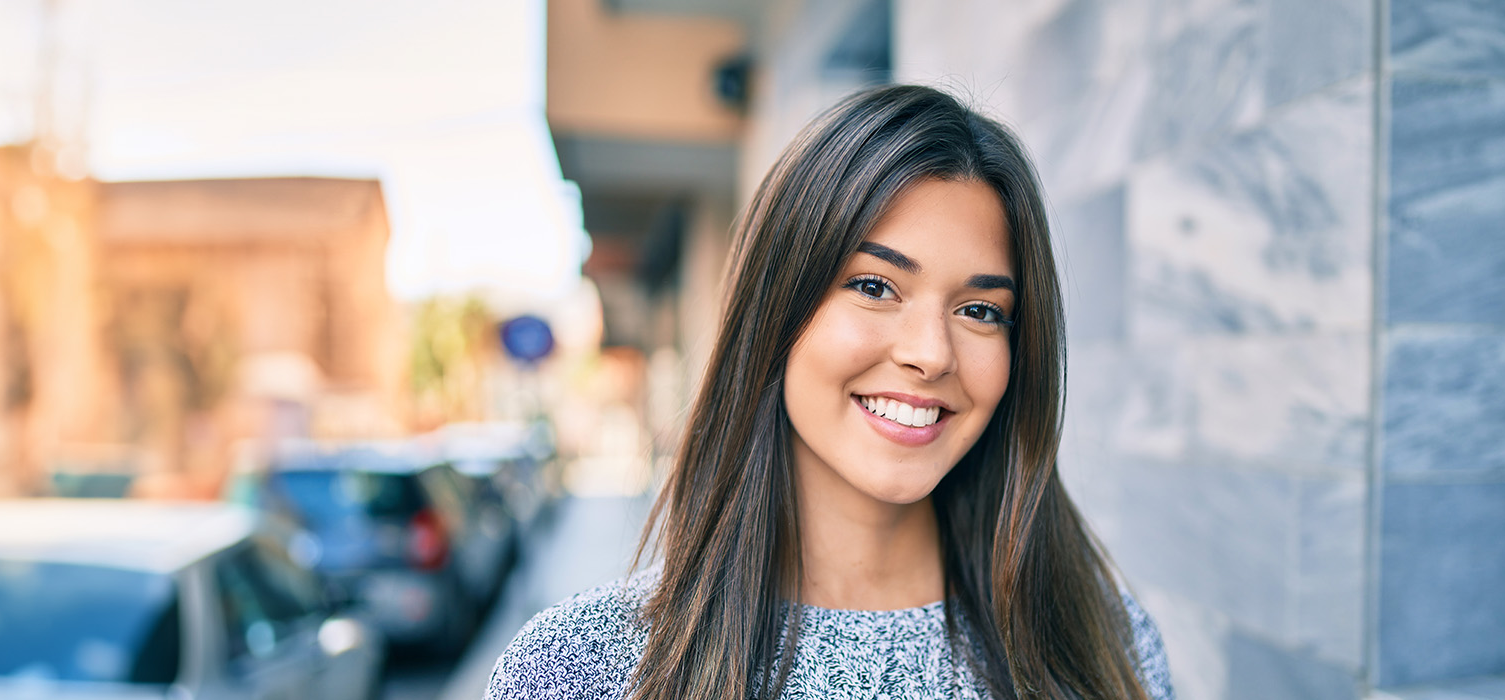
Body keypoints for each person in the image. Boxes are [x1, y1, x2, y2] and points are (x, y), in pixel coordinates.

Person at [483, 84, 1172, 700]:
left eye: (980, 310)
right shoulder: (582, 670)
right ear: (775, 309)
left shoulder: (1103, 647)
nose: (931, 354)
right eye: (875, 287)